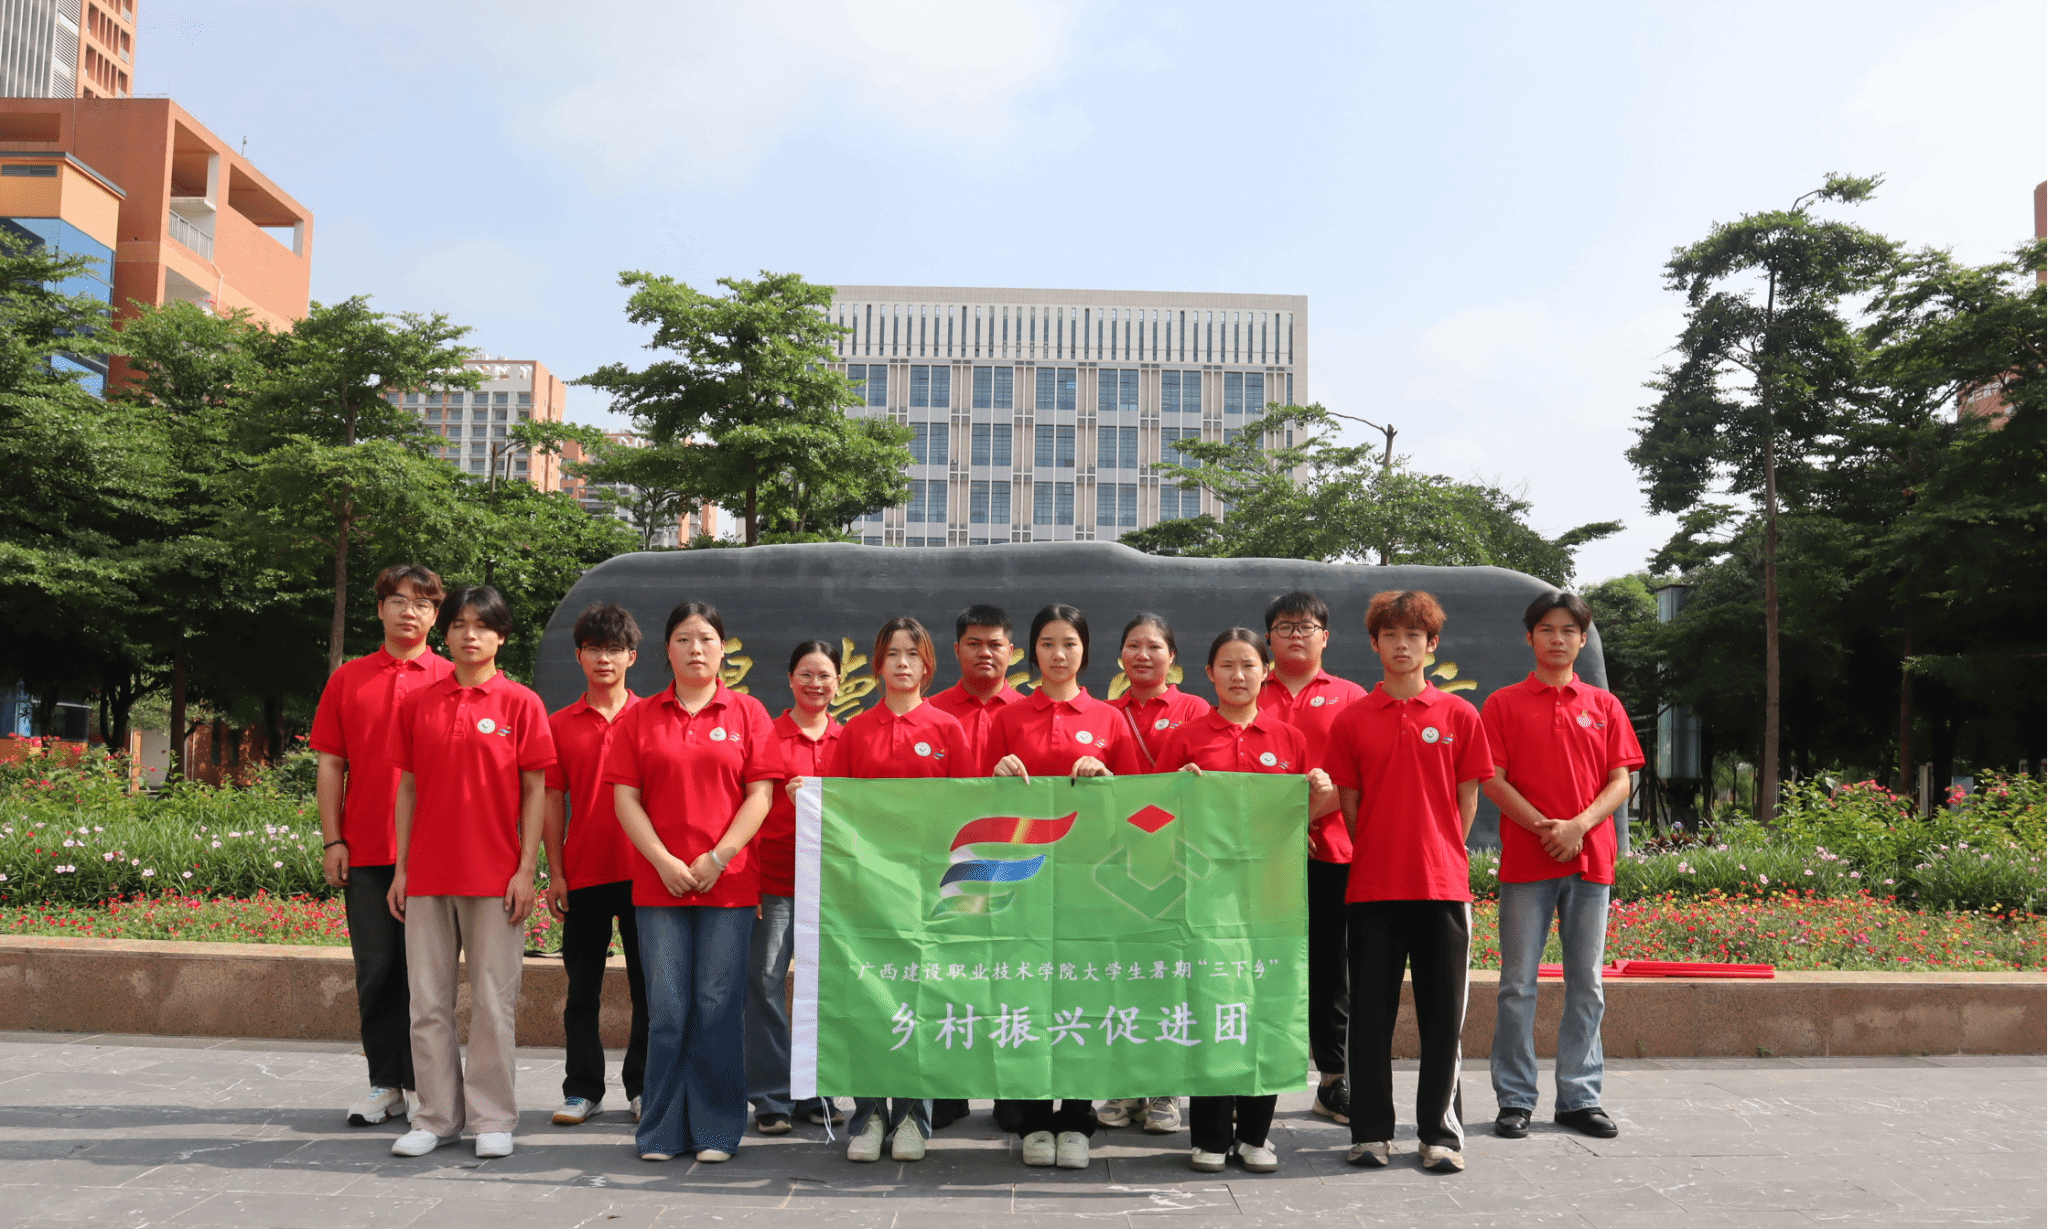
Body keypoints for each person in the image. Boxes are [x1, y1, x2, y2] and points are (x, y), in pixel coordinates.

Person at [1153, 628, 1337, 1174]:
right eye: (1227, 665)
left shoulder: (1289, 739)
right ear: (1209, 674)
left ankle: (1256, 1133)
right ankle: (1210, 1135)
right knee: (1211, 1004)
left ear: (1266, 673)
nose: (1238, 675)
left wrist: (1318, 796)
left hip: (1272, 896)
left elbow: (1305, 815)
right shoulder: (1185, 739)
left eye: (1249, 665)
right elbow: (1153, 819)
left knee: (1268, 1002)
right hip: (1205, 897)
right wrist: (1176, 790)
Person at [384, 585, 556, 1159]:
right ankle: (434, 1117)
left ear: (501, 636)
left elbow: (536, 791)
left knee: (492, 1003)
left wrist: (526, 869)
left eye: (482, 625)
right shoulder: (420, 703)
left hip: (495, 878)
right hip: (429, 876)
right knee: (427, 1004)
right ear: (446, 635)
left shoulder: (521, 704)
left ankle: (492, 1118)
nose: (469, 635)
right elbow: (408, 788)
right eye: (458, 624)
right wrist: (402, 869)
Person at [605, 601, 779, 1163]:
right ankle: (660, 1130)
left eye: (705, 638)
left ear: (723, 647)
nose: (695, 649)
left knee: (717, 1006)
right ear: (667, 650)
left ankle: (716, 1130)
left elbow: (761, 795)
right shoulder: (640, 717)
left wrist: (719, 857)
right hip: (661, 886)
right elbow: (625, 799)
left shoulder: (748, 712)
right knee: (668, 1009)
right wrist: (662, 861)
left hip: (728, 886)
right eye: (683, 639)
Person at [1326, 590, 1492, 1175]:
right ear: (1375, 644)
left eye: (1413, 636)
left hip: (1442, 888)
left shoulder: (1459, 716)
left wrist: (1438, 848)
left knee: (1442, 1019)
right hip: (1372, 887)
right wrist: (1381, 846)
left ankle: (1440, 1134)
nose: (1402, 645)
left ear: (1431, 644)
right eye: (1390, 635)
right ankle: (1370, 1132)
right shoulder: (1352, 719)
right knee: (1370, 1016)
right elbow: (1350, 804)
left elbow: (1467, 800)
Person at [984, 603, 1141, 1171]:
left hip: (1087, 882)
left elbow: (1135, 808)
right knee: (1025, 992)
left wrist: (1107, 779)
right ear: (1032, 651)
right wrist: (995, 775)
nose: (1058, 654)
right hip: (1022, 877)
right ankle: (1032, 1118)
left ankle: (1076, 1116)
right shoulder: (1009, 718)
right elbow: (978, 802)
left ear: (1085, 652)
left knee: (1082, 994)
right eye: (1048, 643)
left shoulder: (1108, 719)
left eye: (1069, 643)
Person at [1482, 591, 1642, 1142]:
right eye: (1547, 629)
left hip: (1590, 861)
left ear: (1581, 639)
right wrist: (1544, 828)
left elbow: (1621, 779)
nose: (1557, 638)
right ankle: (1515, 1099)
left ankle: (1579, 1097)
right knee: (1516, 985)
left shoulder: (1604, 705)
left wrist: (1579, 825)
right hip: (1527, 863)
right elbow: (1491, 778)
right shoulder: (1503, 704)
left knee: (1587, 983)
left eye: (1568, 630)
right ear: (1530, 637)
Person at [817, 617, 973, 1163]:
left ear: (928, 664)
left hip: (928, 892)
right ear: (877, 664)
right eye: (892, 654)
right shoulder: (855, 732)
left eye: (913, 653)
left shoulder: (947, 730)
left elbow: (966, 815)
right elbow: (835, 808)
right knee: (869, 999)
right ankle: (868, 1116)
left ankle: (913, 1118)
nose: (902, 663)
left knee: (918, 999)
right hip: (866, 890)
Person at [310, 563, 452, 1129]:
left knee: (428, 975)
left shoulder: (452, 678)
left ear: (436, 616)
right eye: (399, 601)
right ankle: (384, 1083)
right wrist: (333, 839)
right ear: (380, 609)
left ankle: (425, 1085)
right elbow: (331, 764)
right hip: (367, 849)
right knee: (376, 969)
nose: (409, 612)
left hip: (434, 853)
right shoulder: (349, 679)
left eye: (423, 603)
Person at [1095, 612, 1210, 1136]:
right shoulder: (1104, 713)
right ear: (1120, 655)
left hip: (1174, 860)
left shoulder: (1194, 710)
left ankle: (1164, 1086)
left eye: (1155, 646)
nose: (1143, 655)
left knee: (1168, 974)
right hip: (1115, 860)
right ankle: (1122, 1083)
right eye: (1133, 646)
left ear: (1173, 656)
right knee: (1120, 973)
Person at [1258, 590, 1367, 1126]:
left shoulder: (1350, 696)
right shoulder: (1249, 689)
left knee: (1329, 969)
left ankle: (1332, 1080)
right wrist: (1281, 829)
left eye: (1306, 626)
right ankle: (1249, 1078)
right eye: (1284, 626)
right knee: (1258, 962)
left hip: (1333, 852)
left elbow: (1356, 774)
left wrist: (1300, 821)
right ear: (1268, 638)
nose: (1296, 634)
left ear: (1325, 636)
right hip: (1257, 857)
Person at [542, 602, 648, 1128]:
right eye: (593, 649)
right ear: (579, 656)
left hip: (645, 873)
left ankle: (643, 1087)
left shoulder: (652, 718)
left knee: (648, 990)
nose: (604, 659)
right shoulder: (559, 724)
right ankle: (582, 1089)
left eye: (614, 649)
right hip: (584, 873)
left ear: (631, 656)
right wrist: (556, 872)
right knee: (581, 991)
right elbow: (551, 800)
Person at [923, 604, 1022, 1132]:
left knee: (1010, 980)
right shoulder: (932, 711)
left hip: (1015, 869)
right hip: (948, 867)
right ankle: (947, 1090)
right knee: (949, 978)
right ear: (956, 650)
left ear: (1012, 652)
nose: (985, 653)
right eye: (974, 643)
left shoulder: (1029, 713)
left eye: (995, 644)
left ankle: (1011, 1093)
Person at [748, 639, 845, 1136]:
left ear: (839, 683)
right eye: (805, 674)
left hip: (833, 888)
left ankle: (816, 1093)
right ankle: (771, 1096)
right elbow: (749, 806)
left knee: (822, 989)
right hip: (776, 882)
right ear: (790, 679)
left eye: (824, 675)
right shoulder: (768, 735)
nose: (815, 684)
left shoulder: (848, 740)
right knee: (764, 983)